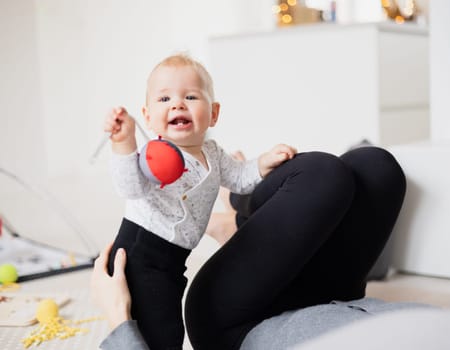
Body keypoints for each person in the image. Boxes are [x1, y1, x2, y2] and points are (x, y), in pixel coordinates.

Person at [92, 140, 408, 349]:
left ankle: (240, 215)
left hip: (236, 328)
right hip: (335, 300)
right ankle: (241, 208)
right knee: (377, 167)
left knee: (320, 173)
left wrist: (119, 316)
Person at [103, 53, 296, 350]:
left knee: (167, 320)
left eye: (190, 96)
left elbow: (240, 177)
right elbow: (130, 188)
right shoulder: (155, 154)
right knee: (159, 328)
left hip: (172, 258)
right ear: (148, 116)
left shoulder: (213, 153)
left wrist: (264, 162)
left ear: (214, 113)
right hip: (141, 252)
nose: (178, 104)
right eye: (164, 99)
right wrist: (124, 142)